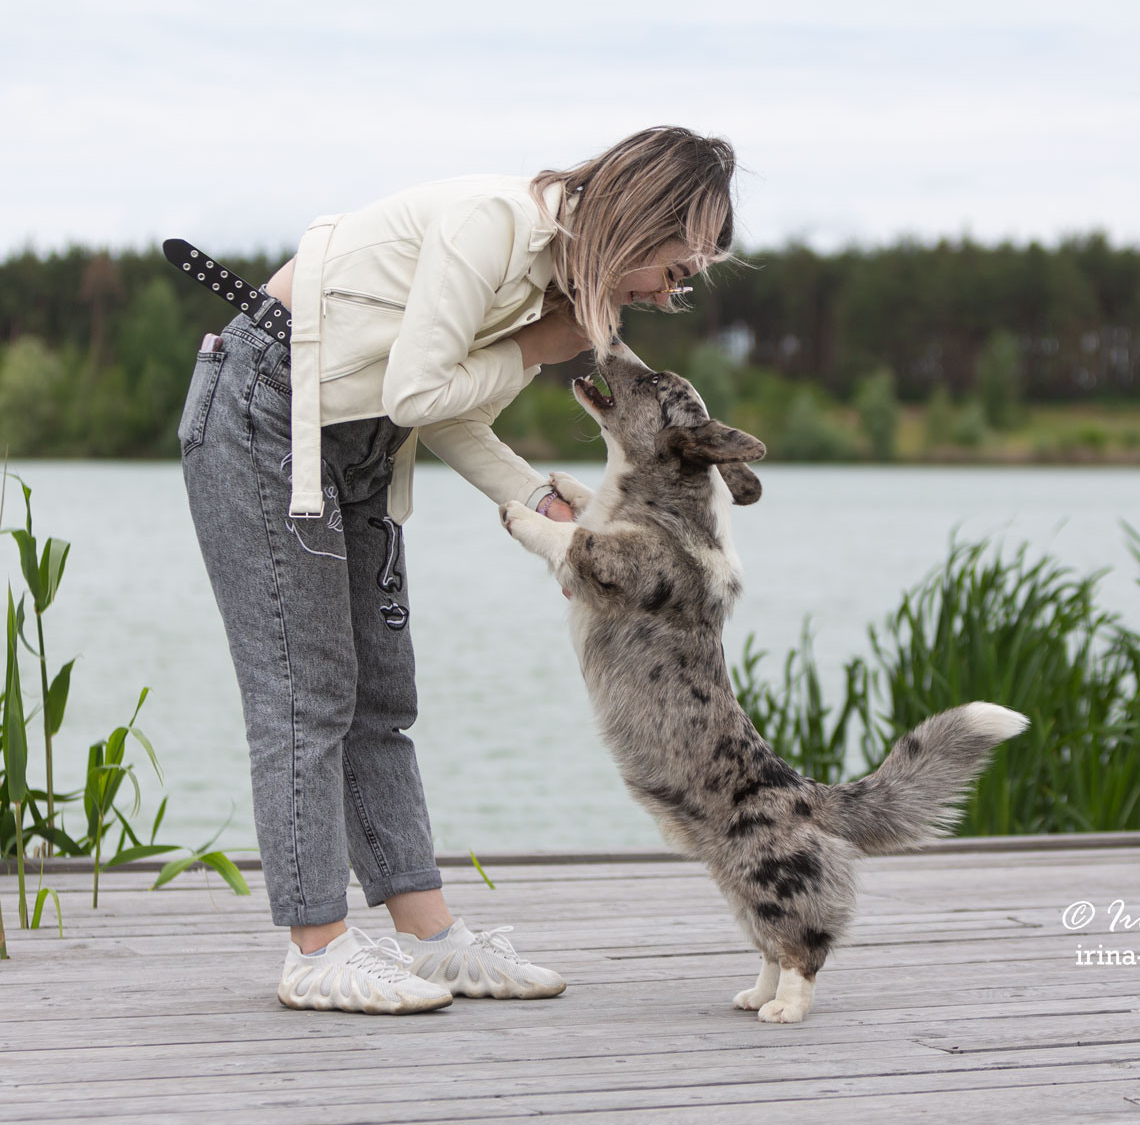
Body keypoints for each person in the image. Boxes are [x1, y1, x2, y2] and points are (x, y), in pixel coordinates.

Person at [177, 126, 738, 1013]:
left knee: (382, 700)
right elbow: (417, 392)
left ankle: (429, 939)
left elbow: (435, 409)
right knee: (305, 694)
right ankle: (315, 948)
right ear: (642, 219)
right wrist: (537, 350)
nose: (675, 292)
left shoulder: (547, 272)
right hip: (266, 415)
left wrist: (536, 499)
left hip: (355, 442)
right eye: (679, 266)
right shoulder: (493, 227)